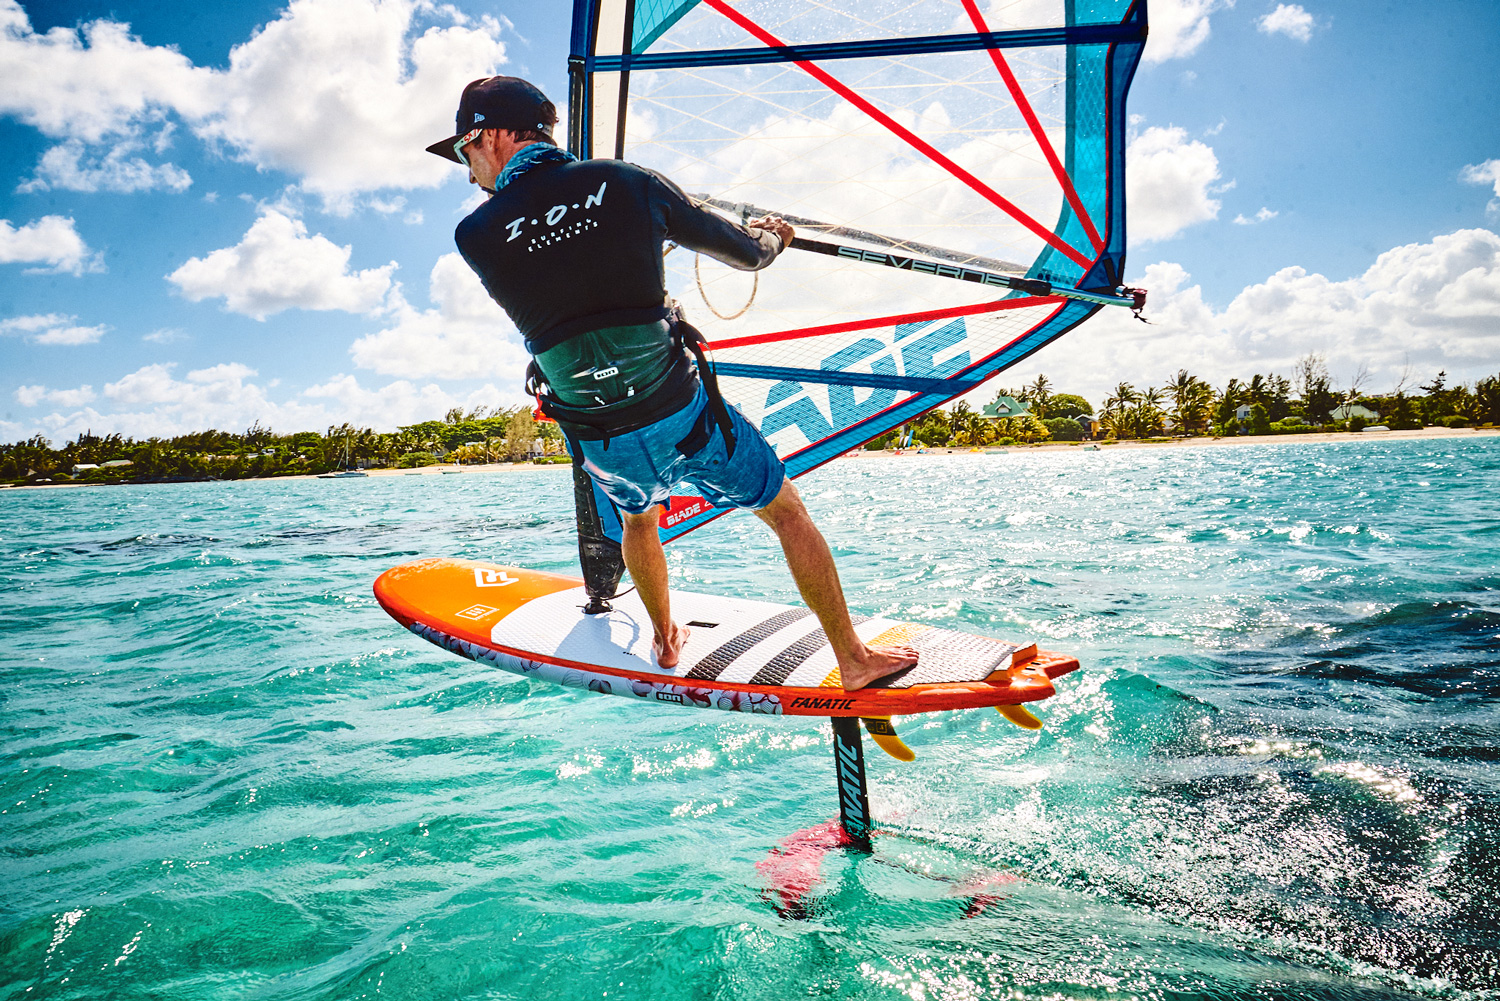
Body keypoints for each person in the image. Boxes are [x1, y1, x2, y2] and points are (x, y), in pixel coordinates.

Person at [427, 76, 917, 689]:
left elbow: (564, 275)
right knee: (787, 514)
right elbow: (745, 254)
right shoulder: (630, 183)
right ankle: (852, 658)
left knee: (638, 520)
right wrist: (771, 236)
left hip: (604, 443)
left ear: (494, 136)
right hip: (685, 419)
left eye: (464, 149)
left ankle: (664, 638)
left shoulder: (473, 235)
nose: (466, 167)